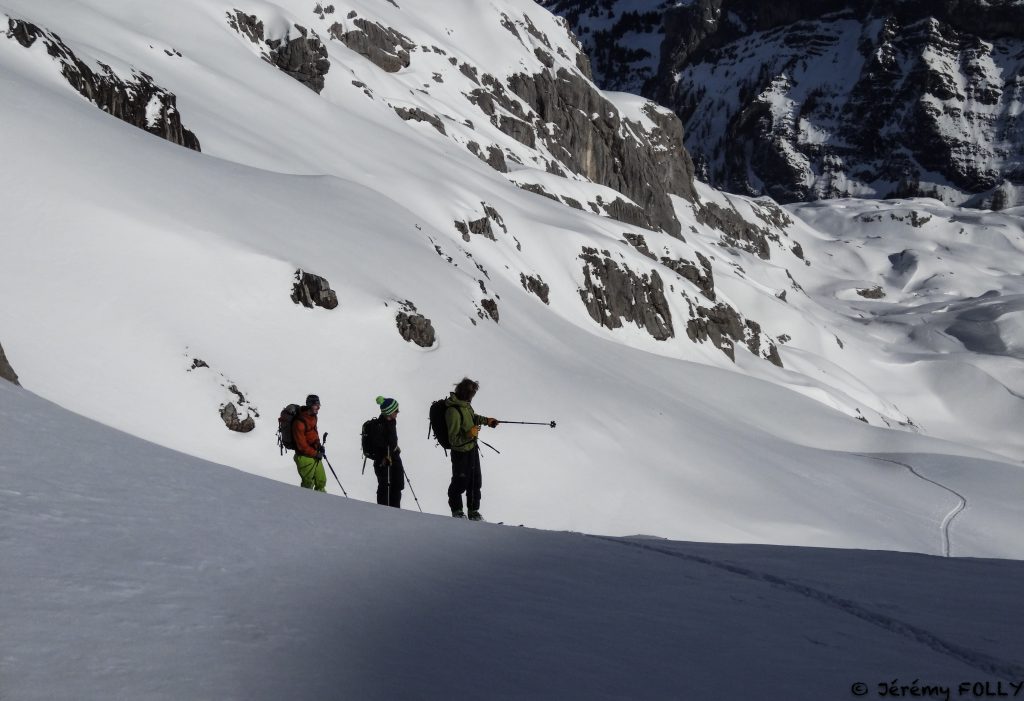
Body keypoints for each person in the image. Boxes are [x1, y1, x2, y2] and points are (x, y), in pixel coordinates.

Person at [444, 378, 498, 520]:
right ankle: (457, 512)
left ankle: (473, 513)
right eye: (471, 393)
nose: (473, 396)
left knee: (475, 481)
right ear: (465, 393)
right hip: (460, 453)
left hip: (472, 449)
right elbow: (453, 440)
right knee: (460, 482)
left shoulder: (466, 405)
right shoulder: (453, 411)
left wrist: (487, 420)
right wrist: (469, 434)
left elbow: (472, 418)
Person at [372, 396, 404, 508]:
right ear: (389, 411)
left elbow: (391, 440)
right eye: (396, 410)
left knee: (397, 485)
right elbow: (379, 446)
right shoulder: (379, 426)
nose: (398, 412)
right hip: (384, 462)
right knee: (385, 487)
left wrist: (395, 447)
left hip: (393, 458)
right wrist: (385, 457)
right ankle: (383, 513)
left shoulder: (392, 422)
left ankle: (396, 511)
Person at [293, 394, 326, 492]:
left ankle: (322, 505)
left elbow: (313, 434)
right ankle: (305, 506)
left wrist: (319, 445)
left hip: (314, 454)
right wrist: (316, 453)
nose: (318, 407)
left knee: (321, 481)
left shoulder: (313, 417)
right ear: (310, 405)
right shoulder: (299, 423)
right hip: (304, 457)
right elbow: (301, 446)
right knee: (308, 484)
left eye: (319, 404)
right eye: (316, 405)